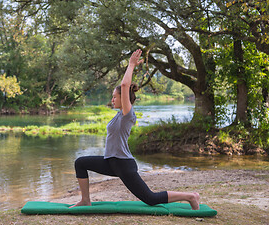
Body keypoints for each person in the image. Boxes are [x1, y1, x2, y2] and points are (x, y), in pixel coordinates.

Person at [69, 49, 200, 210]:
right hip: (111, 162)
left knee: (151, 199)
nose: (112, 99)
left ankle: (190, 196)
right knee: (80, 163)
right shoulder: (118, 115)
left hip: (123, 164)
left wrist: (131, 65)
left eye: (115, 96)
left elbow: (125, 85)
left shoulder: (127, 114)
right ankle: (85, 200)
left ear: (124, 99)